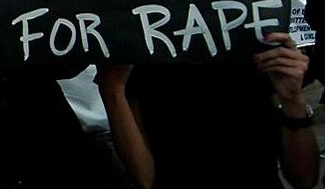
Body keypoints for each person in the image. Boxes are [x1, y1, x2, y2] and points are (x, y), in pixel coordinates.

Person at [96, 32, 319, 189]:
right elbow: (145, 178)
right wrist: (112, 88)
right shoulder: (137, 62)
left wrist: (292, 99)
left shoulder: (252, 48)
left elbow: (304, 178)